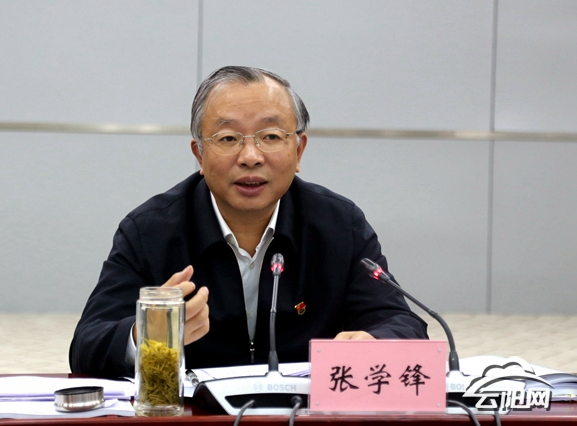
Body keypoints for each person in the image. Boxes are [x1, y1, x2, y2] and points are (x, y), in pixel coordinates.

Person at [69, 66, 428, 378]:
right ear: (200, 154)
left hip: (303, 415)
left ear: (298, 150)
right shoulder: (150, 231)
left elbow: (402, 322)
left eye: (270, 137)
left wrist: (375, 341)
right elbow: (87, 343)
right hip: (197, 419)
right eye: (228, 139)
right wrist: (148, 335)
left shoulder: (338, 225)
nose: (251, 157)